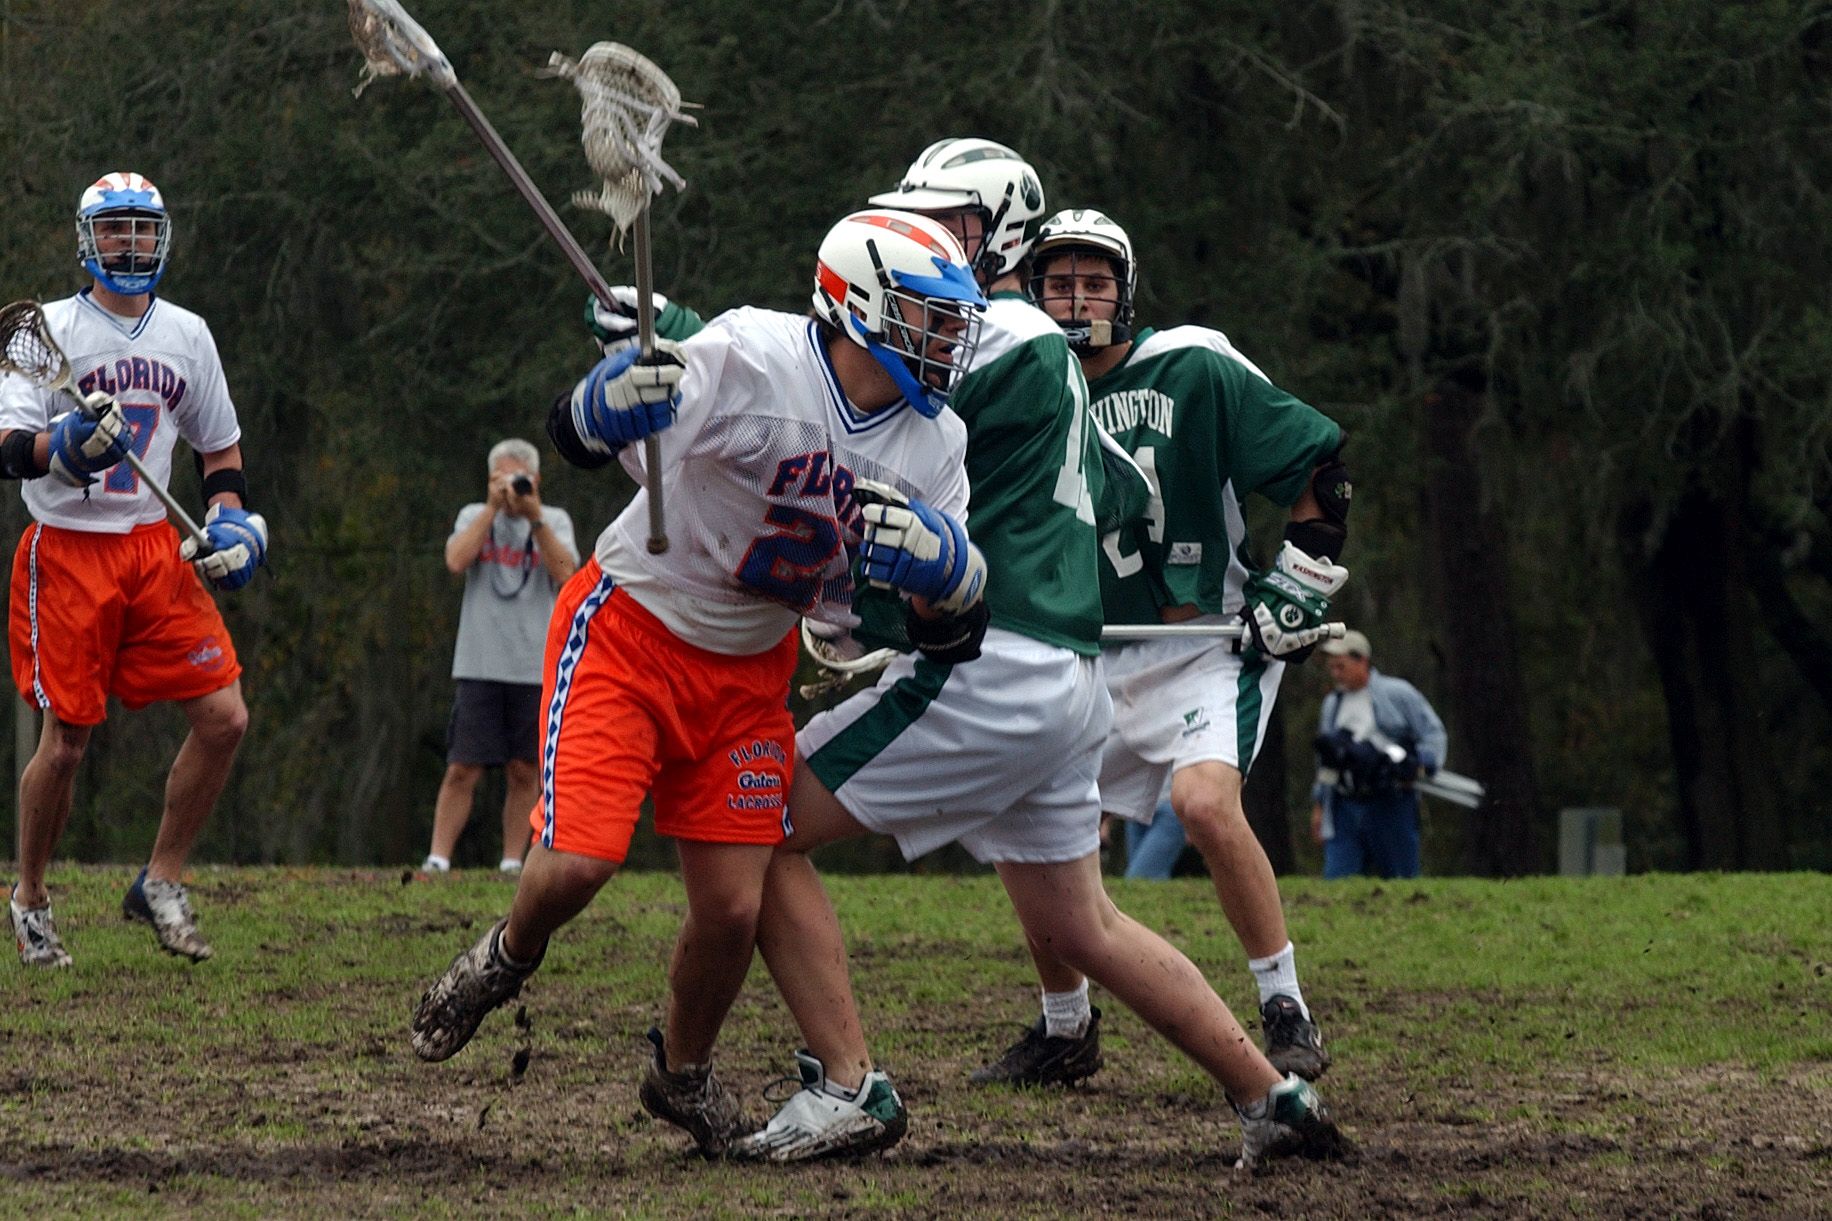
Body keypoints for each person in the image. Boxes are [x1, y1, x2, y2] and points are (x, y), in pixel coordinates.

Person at [731, 141, 1345, 1169]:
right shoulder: (1039, 351)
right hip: (1066, 674)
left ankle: (847, 1085)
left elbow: (838, 394)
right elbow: (1114, 486)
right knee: (1085, 926)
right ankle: (1270, 1097)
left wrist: (691, 350)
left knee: (753, 825)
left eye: (947, 221)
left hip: (994, 667)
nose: (924, 241)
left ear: (998, 234)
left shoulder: (994, 333)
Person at [409, 210, 992, 1161]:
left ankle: (680, 1073)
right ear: (863, 306)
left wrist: (949, 572)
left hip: (751, 673)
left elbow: (951, 628)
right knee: (580, 863)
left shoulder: (938, 443)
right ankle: (507, 953)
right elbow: (592, 433)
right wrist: (597, 407)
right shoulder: (755, 355)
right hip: (632, 631)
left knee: (731, 907)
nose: (951, 339)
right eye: (934, 316)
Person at [979, 207, 1350, 1086]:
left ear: (1127, 291)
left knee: (1205, 805)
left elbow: (1319, 468)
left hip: (1199, 646)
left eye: (1094, 282)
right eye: (1058, 283)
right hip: (1082, 649)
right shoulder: (1019, 382)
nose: (1077, 301)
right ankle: (1065, 1025)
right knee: (1022, 818)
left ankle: (1285, 1007)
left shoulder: (1192, 363)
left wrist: (1300, 579)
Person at [1, 171, 268, 967]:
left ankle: (160, 879)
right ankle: (31, 897)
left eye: (141, 228)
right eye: (114, 228)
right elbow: (8, 444)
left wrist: (231, 519)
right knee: (66, 745)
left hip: (154, 548)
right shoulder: (48, 331)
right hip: (69, 548)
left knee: (225, 717)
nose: (129, 242)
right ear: (88, 239)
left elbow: (220, 448)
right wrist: (62, 447)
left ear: (162, 236)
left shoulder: (187, 333)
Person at [421, 439, 578, 875]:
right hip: (479, 662)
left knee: (526, 769)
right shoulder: (474, 515)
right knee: (462, 766)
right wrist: (492, 509)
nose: (511, 487)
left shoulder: (554, 521)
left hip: (533, 667)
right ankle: (438, 857)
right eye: (501, 479)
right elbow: (456, 560)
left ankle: (512, 861)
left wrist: (534, 517)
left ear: (536, 480)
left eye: (519, 478)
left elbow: (567, 575)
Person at [1310, 630, 1448, 879]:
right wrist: (1320, 804)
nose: (1336, 674)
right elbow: (1326, 760)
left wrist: (1422, 764)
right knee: (1338, 879)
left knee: (1400, 878)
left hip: (1391, 801)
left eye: (1341, 666)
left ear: (1362, 660)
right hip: (1344, 804)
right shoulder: (1332, 703)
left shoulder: (1398, 693)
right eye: (1332, 668)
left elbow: (1433, 733)